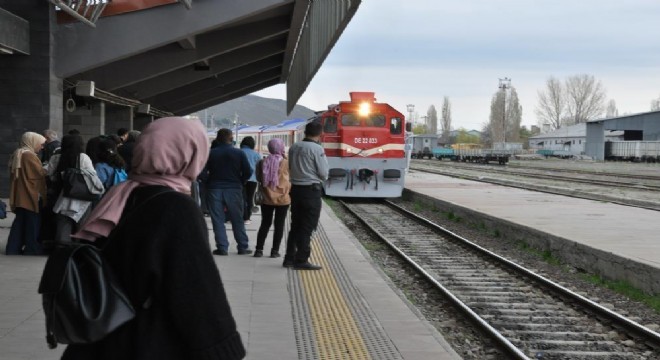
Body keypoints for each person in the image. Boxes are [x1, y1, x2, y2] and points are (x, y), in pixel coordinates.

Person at [67, 117, 246, 360]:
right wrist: (224, 350)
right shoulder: (176, 208)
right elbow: (197, 294)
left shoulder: (119, 196)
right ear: (192, 154)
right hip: (145, 343)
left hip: (97, 341)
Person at [283, 121, 328, 270]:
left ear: (305, 132)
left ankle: (289, 258)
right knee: (307, 227)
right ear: (320, 133)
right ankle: (301, 259)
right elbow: (323, 173)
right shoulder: (317, 149)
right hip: (311, 191)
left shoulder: (294, 147)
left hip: (296, 190)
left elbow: (290, 167)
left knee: (295, 225)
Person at [202, 128, 252, 256]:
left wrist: (208, 181)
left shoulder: (211, 153)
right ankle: (242, 247)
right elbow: (248, 171)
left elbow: (201, 172)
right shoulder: (239, 153)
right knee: (237, 218)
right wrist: (240, 181)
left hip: (214, 189)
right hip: (234, 189)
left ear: (217, 139)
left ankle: (222, 247)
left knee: (217, 219)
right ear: (231, 139)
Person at [45, 134, 103, 244]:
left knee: (63, 221)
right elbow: (92, 176)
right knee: (81, 221)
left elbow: (51, 176)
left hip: (61, 194)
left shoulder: (56, 157)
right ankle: (79, 246)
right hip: (82, 195)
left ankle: (63, 246)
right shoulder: (83, 157)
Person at [5, 132, 47, 255]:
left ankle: (13, 248)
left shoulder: (19, 153)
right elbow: (39, 174)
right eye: (40, 144)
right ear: (33, 142)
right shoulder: (29, 155)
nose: (42, 147)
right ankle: (32, 249)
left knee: (20, 223)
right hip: (30, 195)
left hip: (21, 194)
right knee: (32, 224)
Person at [253, 138, 290, 258]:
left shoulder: (262, 162)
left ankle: (259, 250)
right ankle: (275, 251)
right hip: (283, 199)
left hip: (267, 198)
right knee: (279, 225)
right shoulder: (287, 162)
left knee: (265, 223)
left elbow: (259, 179)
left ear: (269, 148)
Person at [239, 136, 261, 224]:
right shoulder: (256, 154)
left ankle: (241, 216)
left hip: (240, 178)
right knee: (249, 198)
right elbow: (259, 168)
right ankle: (247, 218)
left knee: (241, 198)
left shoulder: (239, 152)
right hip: (253, 179)